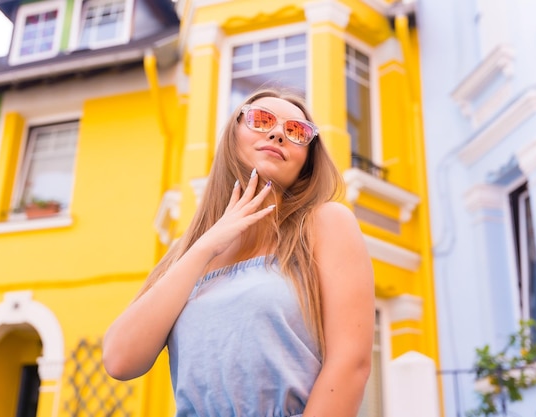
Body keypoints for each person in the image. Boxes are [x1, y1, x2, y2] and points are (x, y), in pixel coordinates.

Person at [103, 87, 376, 416]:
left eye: (296, 131)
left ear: (308, 159)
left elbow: (351, 364)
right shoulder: (187, 251)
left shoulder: (326, 224)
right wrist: (205, 245)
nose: (277, 133)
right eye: (261, 120)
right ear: (232, 134)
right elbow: (120, 360)